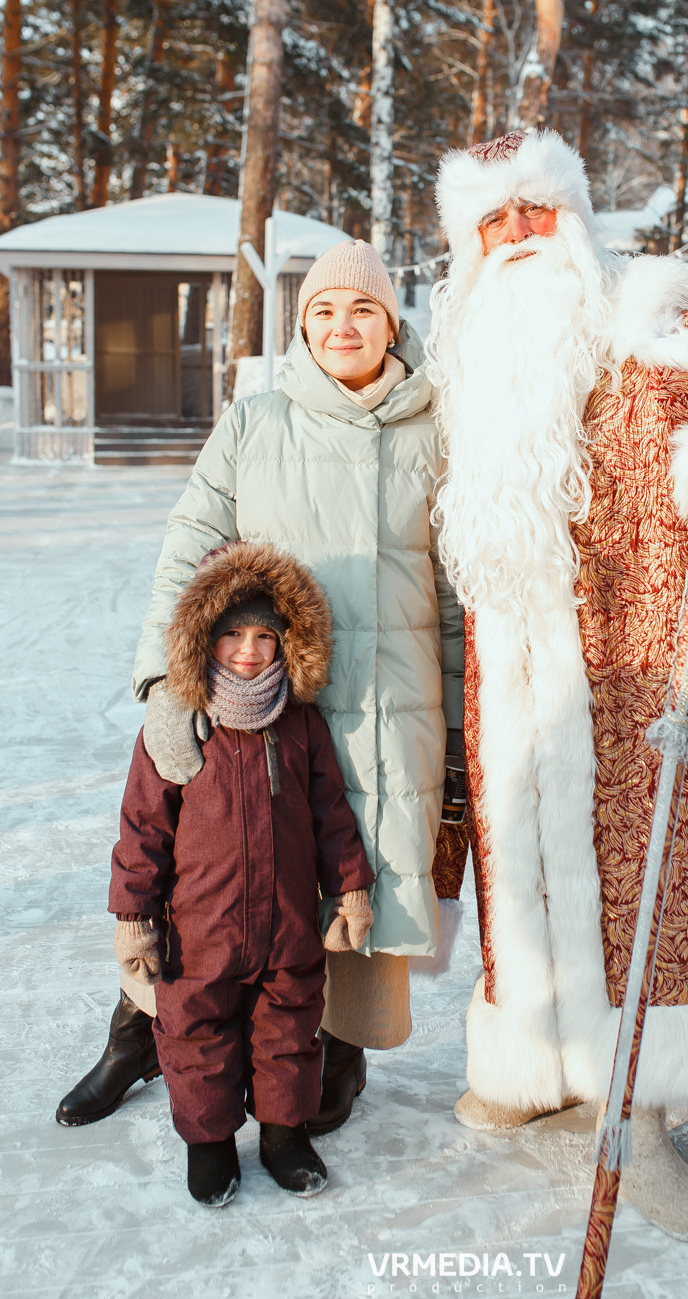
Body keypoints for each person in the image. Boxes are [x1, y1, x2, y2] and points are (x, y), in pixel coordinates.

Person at [425, 129, 688, 1241]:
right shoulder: (467, 371)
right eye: (492, 220)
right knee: (529, 880)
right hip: (517, 687)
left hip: (652, 696)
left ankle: (644, 1105)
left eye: (535, 208)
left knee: (650, 894)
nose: (517, 234)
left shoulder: (657, 333)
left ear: (573, 218)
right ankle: (537, 1063)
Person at [57, 239, 464, 1134]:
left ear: (392, 323)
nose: (342, 326)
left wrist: (463, 731)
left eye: (361, 309)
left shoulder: (437, 430)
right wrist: (168, 683)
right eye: (323, 311)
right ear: (302, 327)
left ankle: (337, 1049)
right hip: (264, 702)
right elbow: (187, 549)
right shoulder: (255, 423)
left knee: (358, 876)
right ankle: (140, 1030)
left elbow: (451, 596)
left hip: (389, 712)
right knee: (207, 873)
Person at [110, 542, 375, 1205]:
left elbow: (329, 812)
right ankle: (210, 1142)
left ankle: (284, 1134)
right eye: (233, 634)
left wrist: (349, 888)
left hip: (287, 920)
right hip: (201, 927)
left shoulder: (299, 722)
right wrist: (134, 915)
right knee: (196, 1031)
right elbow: (143, 826)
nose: (249, 651)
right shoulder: (178, 726)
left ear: (287, 642)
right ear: (205, 637)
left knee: (289, 1026)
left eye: (264, 636)